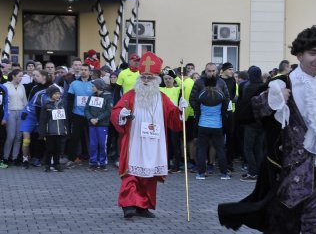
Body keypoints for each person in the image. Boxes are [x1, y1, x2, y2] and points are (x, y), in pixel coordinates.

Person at [218, 26, 316, 234]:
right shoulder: (281, 83)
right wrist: (269, 100)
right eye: (313, 53)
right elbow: (242, 115)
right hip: (286, 180)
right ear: (299, 55)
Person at [110, 52, 185, 219]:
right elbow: (115, 112)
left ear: (156, 80)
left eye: (149, 78)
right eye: (143, 77)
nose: (145, 81)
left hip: (154, 141)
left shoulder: (163, 98)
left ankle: (143, 205)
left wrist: (180, 110)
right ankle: (129, 205)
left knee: (149, 174)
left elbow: (173, 119)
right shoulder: (131, 95)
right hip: (135, 141)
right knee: (132, 172)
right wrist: (121, 114)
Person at [189, 62, 231, 180]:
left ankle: (223, 173)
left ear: (216, 71)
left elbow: (227, 99)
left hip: (217, 122)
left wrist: (222, 112)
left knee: (219, 148)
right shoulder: (199, 82)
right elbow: (192, 99)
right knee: (202, 148)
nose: (211, 73)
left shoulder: (221, 82)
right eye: (209, 71)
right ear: (205, 70)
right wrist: (199, 111)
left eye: (213, 71)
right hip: (203, 121)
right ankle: (201, 173)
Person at [84, 79, 113, 171]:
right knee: (93, 144)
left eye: (93, 86)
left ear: (98, 86)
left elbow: (109, 110)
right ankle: (93, 162)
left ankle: (102, 163)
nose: (92, 87)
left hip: (102, 125)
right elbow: (86, 109)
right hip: (92, 124)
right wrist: (90, 118)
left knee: (102, 144)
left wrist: (97, 119)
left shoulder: (108, 96)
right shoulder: (91, 96)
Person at [67, 63, 92, 165]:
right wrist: (69, 115)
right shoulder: (74, 84)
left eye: (85, 69)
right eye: (82, 69)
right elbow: (70, 100)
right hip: (77, 114)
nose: (83, 71)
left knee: (90, 137)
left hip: (91, 115)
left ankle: (89, 156)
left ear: (90, 72)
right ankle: (72, 157)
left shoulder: (94, 84)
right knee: (75, 137)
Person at [38, 85, 67, 172]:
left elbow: (65, 119)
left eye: (58, 93)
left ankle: (56, 164)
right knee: (49, 149)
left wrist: (66, 129)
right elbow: (42, 120)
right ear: (50, 95)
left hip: (60, 131)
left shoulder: (62, 104)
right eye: (55, 94)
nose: (57, 95)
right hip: (50, 131)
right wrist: (42, 133)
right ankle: (47, 164)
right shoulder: (47, 105)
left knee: (58, 149)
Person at [3, 69, 27, 165]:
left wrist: (26, 112)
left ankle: (15, 157)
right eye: (20, 76)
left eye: (22, 76)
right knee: (10, 136)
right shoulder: (5, 86)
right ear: (13, 76)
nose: (21, 78)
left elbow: (25, 101)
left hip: (20, 112)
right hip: (10, 112)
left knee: (18, 136)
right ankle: (5, 157)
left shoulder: (22, 87)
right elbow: (4, 102)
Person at [0, 70, 9, 168]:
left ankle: (1, 160)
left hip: (1, 117)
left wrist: (5, 118)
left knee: (2, 139)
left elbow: (6, 104)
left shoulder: (3, 88)